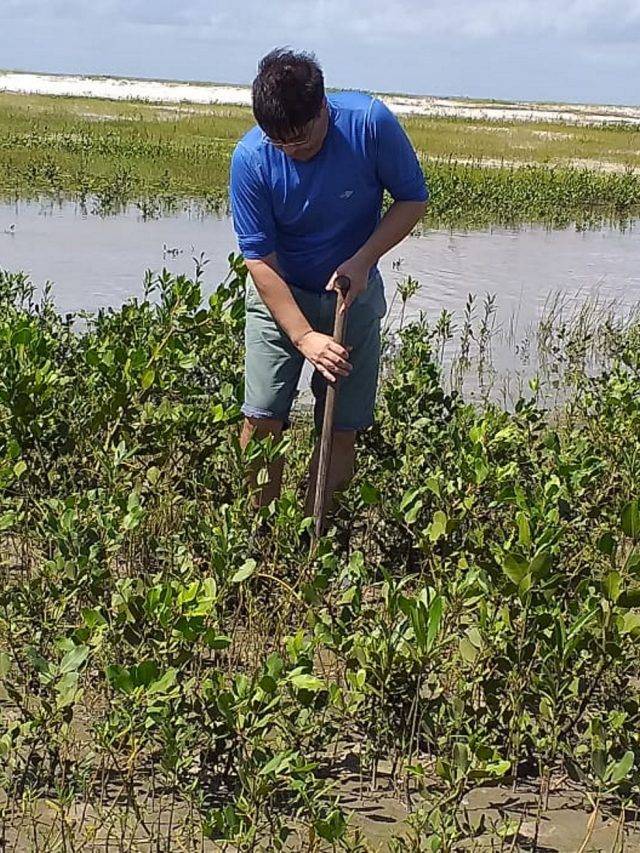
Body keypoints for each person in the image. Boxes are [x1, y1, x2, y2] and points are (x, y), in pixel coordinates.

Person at [230, 47, 428, 517]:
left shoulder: (369, 124)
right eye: (280, 143)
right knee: (261, 415)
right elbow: (259, 260)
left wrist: (363, 260)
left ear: (323, 107)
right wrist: (303, 337)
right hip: (280, 295)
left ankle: (318, 531)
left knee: (340, 425)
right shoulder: (251, 158)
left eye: (301, 139)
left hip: (351, 296)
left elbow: (412, 199)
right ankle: (258, 535)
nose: (292, 151)